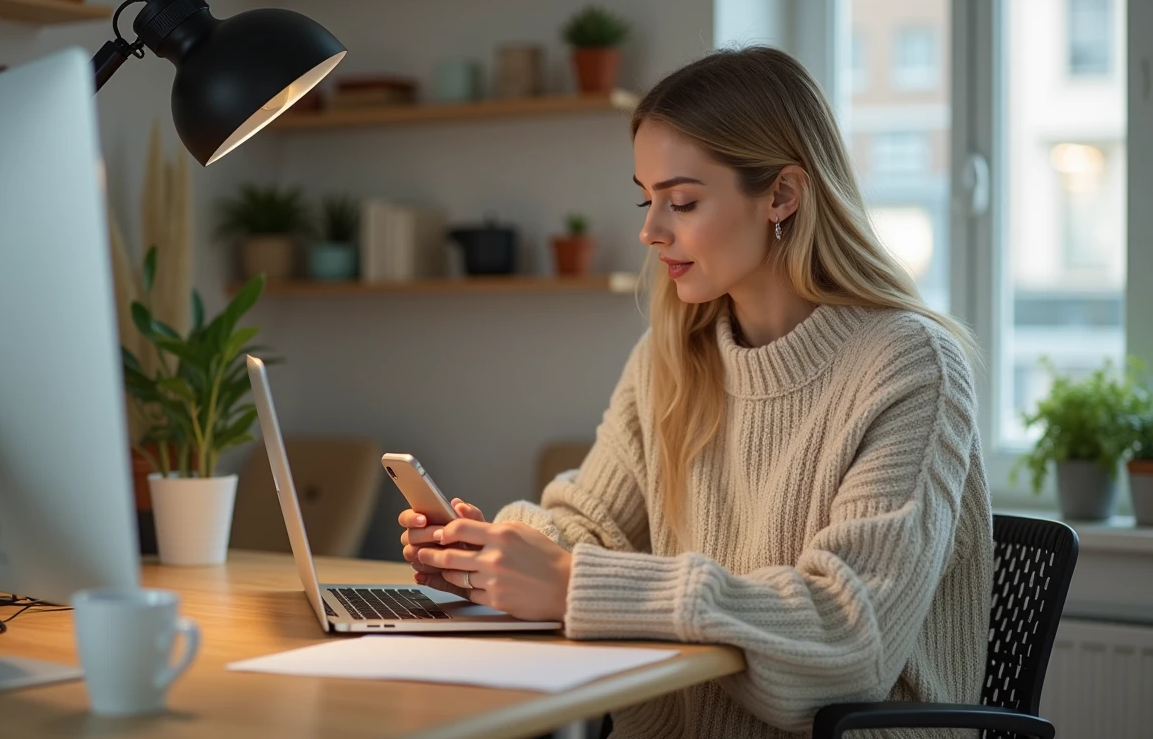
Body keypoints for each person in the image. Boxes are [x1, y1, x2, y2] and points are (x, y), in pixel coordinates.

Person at [399, 46, 992, 738]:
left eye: (682, 201)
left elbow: (846, 638)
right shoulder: (673, 355)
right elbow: (594, 529)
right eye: (646, 199)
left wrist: (572, 584)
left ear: (781, 195)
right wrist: (495, 552)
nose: (651, 231)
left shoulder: (909, 366)